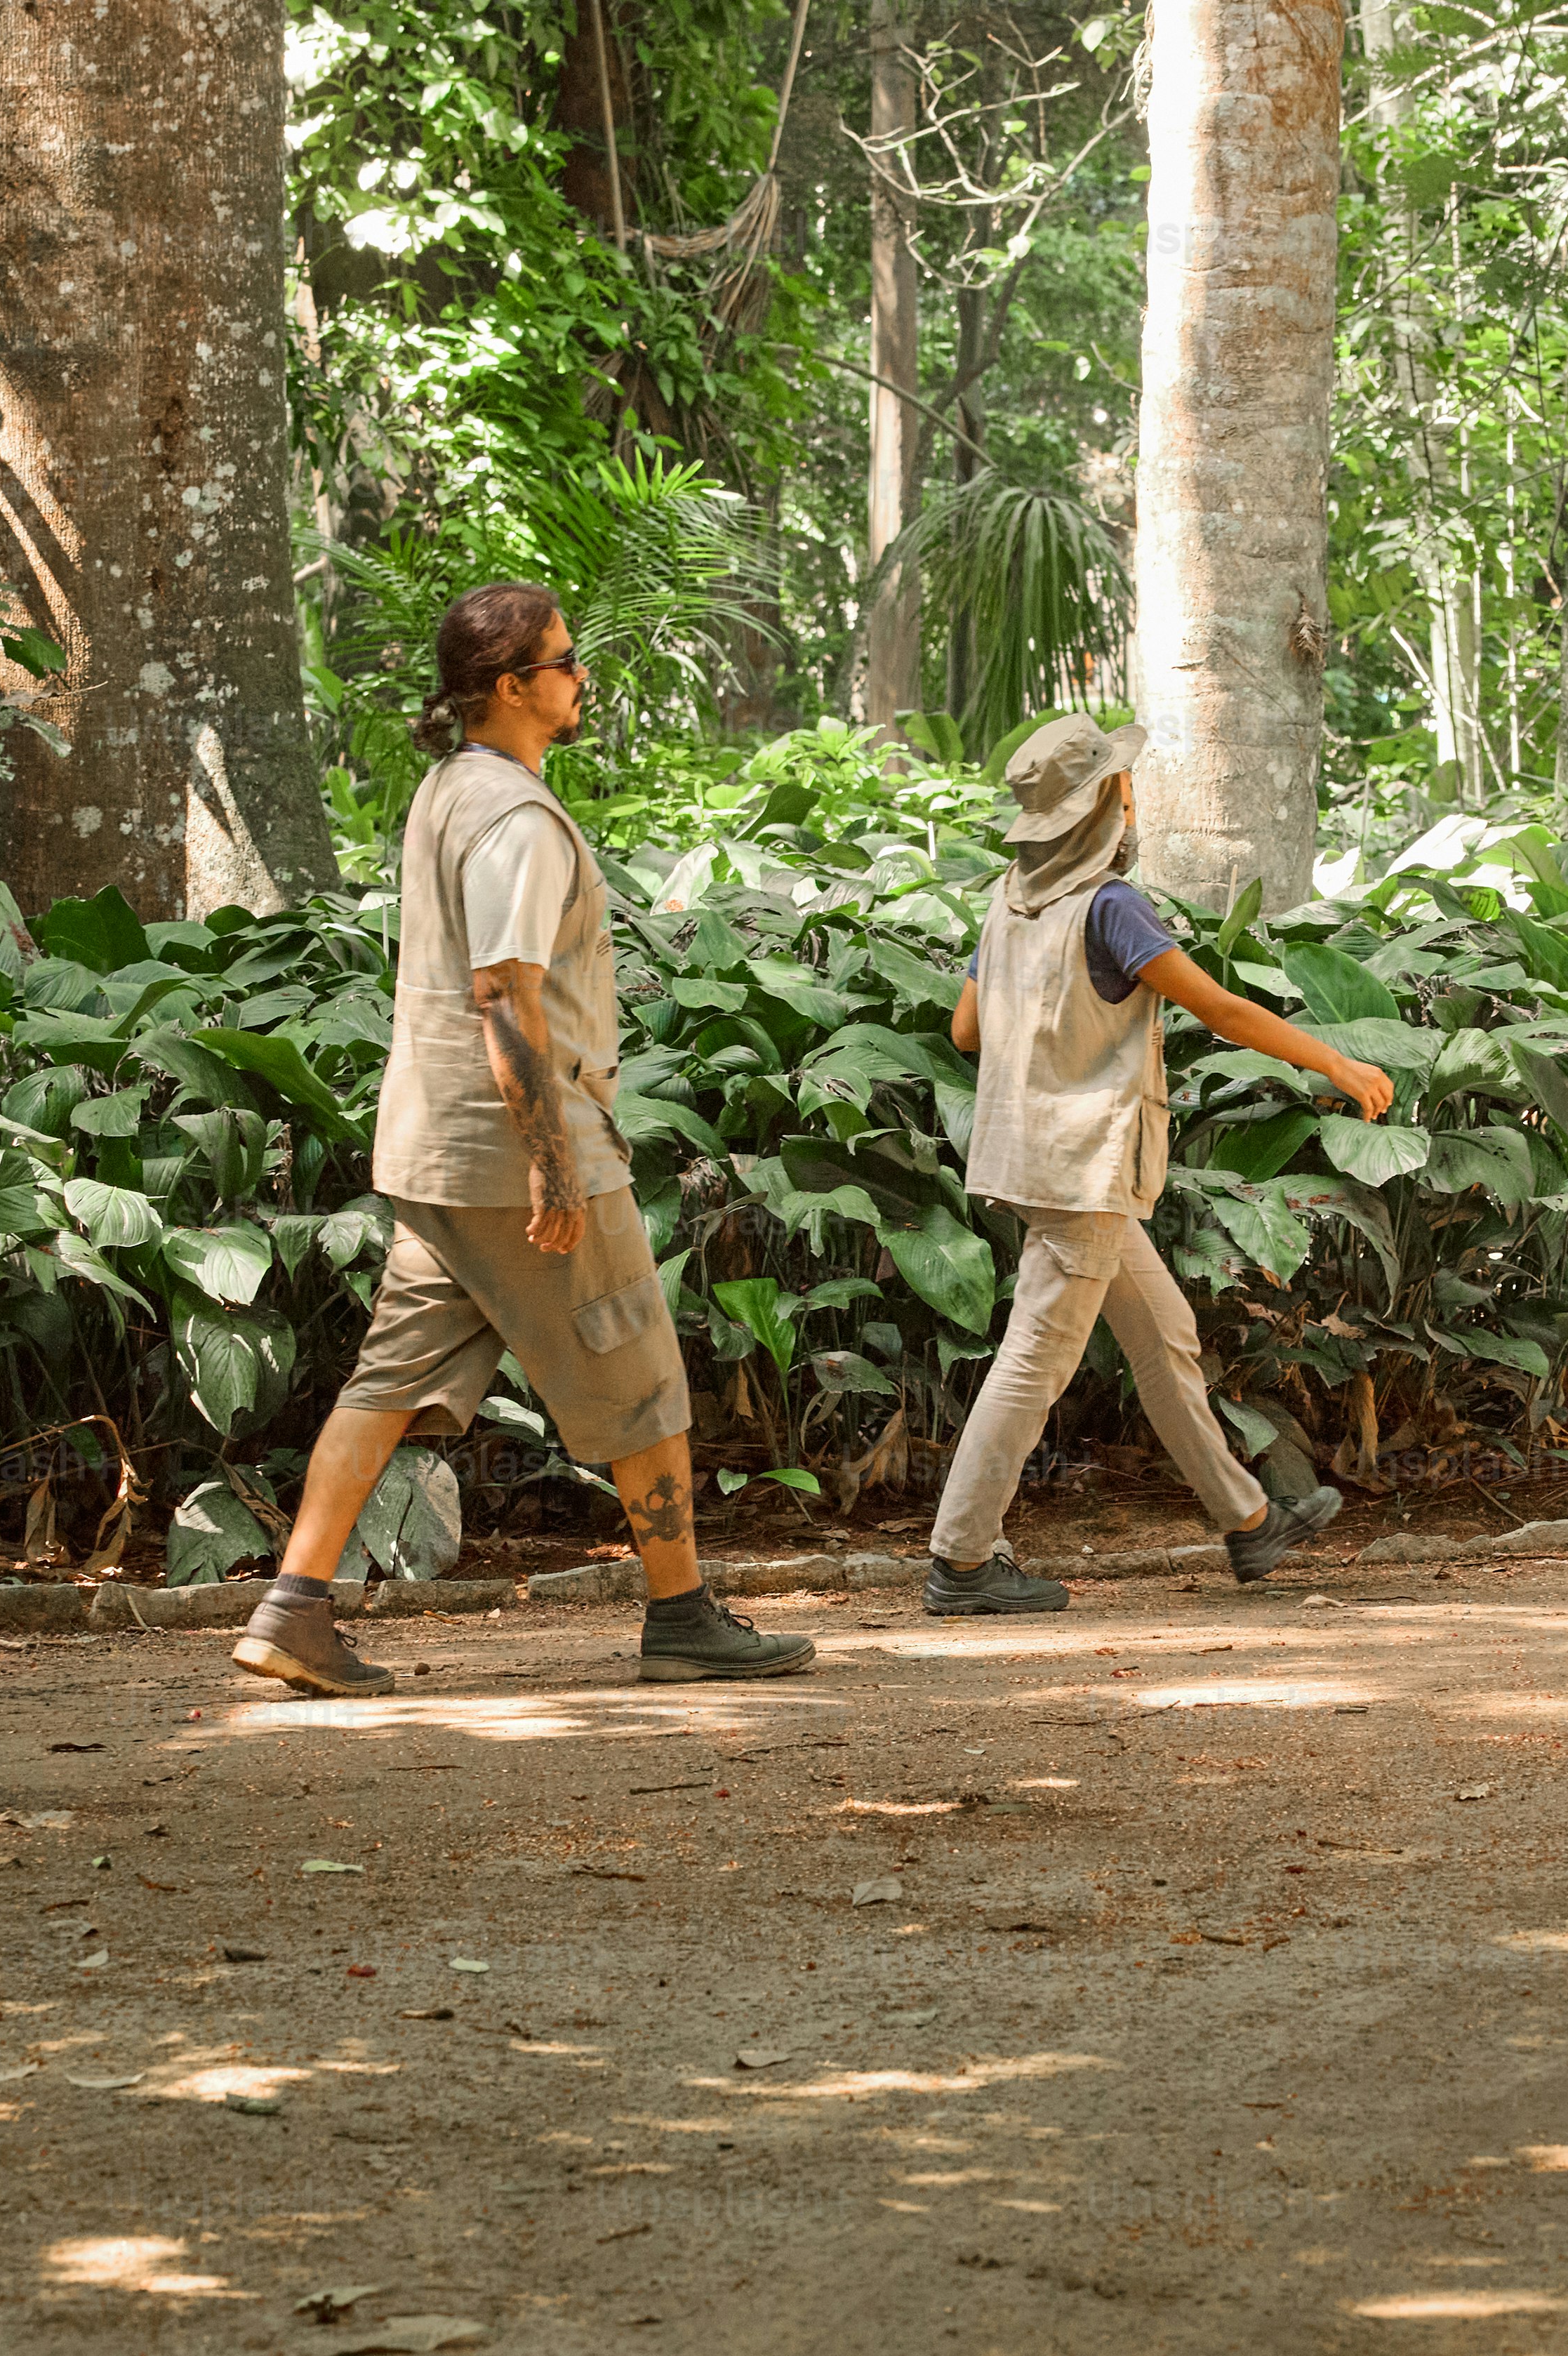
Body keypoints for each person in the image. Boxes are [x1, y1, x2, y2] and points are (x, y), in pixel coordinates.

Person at [232, 584, 816, 1697]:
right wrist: (552, 1157)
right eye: (564, 660)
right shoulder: (515, 819)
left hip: (434, 1148)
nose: (580, 676)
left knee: (390, 1379)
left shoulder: (451, 788)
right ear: (512, 688)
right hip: (517, 1150)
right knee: (640, 1370)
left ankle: (290, 1609)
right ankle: (683, 1613)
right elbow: (504, 994)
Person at [922, 712, 1391, 1616]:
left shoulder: (1010, 899)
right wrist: (1333, 1062)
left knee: (1163, 1337)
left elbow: (966, 1029)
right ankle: (963, 1561)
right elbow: (1219, 1011)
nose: (1134, 794)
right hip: (1085, 1172)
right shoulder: (1111, 906)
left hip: (1035, 1164)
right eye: (1123, 782)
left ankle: (1249, 1522)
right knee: (1034, 1362)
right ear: (1106, 802)